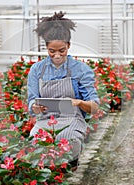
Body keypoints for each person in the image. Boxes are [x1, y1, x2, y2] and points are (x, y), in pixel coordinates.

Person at [27, 11, 99, 171]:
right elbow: (32, 100)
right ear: (46, 47)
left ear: (69, 45)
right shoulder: (37, 70)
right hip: (45, 119)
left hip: (72, 119)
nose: (57, 55)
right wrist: (34, 107)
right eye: (52, 51)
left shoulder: (81, 70)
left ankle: (69, 165)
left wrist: (79, 102)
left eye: (62, 50)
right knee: (35, 139)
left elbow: (94, 107)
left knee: (67, 137)